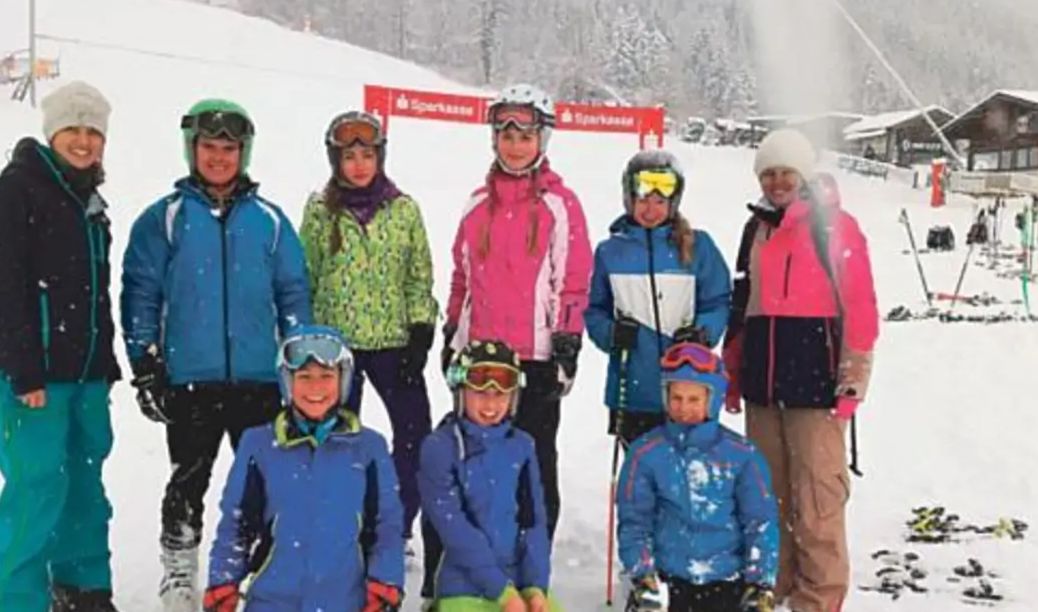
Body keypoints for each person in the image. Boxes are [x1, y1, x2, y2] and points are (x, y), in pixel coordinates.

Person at [121, 98, 311, 612]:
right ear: (192, 149)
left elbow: (293, 293)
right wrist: (146, 364)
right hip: (190, 377)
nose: (219, 157)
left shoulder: (269, 221)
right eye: (209, 147)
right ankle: (180, 566)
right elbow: (141, 293)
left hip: (258, 379)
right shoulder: (164, 219)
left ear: (244, 153)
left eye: (230, 148)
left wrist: (297, 364)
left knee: (264, 478)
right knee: (189, 475)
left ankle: (262, 561)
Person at [0, 80, 134, 612]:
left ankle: (82, 597)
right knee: (36, 488)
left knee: (85, 484)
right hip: (34, 379)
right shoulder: (19, 190)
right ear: (53, 132)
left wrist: (105, 364)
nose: (85, 140)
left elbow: (94, 296)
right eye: (75, 129)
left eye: (94, 132)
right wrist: (23, 368)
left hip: (85, 377)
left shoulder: (89, 200)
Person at [203, 326, 405, 612]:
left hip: (345, 611)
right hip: (277, 608)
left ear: (344, 381)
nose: (316, 388)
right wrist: (221, 594)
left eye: (327, 376)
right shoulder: (259, 446)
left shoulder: (369, 448)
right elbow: (236, 525)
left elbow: (386, 527)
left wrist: (383, 593)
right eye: (304, 377)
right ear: (286, 381)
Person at [721, 129, 879, 612]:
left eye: (786, 171)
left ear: (805, 173)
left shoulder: (835, 228)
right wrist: (732, 372)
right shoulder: (756, 230)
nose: (777, 181)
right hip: (764, 385)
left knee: (817, 494)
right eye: (768, 173)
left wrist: (853, 378)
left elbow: (861, 308)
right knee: (769, 492)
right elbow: (742, 310)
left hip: (816, 387)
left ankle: (821, 595)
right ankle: (778, 579)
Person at [442, 83, 591, 552]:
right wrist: (452, 333)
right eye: (506, 135)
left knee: (533, 462)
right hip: (483, 358)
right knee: (475, 461)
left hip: (535, 358)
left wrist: (567, 342)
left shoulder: (558, 205)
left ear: (541, 141)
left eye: (525, 136)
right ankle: (476, 558)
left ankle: (532, 558)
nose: (515, 145)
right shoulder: (475, 205)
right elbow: (461, 277)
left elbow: (572, 279)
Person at [417, 340, 587, 612]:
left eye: (501, 393)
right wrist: (501, 592)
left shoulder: (522, 445)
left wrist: (535, 587)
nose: (491, 404)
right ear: (461, 392)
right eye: (480, 393)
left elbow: (533, 521)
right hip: (463, 582)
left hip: (516, 582)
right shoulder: (440, 447)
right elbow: (455, 531)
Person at [298, 111, 437, 548]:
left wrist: (421, 328)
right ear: (335, 160)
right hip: (336, 350)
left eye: (367, 155)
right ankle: (344, 523)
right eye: (349, 156)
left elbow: (418, 274)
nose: (358, 164)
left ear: (380, 157)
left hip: (394, 343)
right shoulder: (321, 211)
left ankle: (397, 522)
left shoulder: (403, 209)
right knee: (338, 441)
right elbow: (306, 274)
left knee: (415, 435)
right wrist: (307, 341)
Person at [615, 343, 779, 612]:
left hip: (725, 573)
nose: (684, 408)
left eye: (694, 399)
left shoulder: (741, 455)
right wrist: (643, 572)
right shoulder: (646, 453)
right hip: (667, 573)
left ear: (712, 400)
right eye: (676, 398)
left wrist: (759, 583)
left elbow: (760, 522)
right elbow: (634, 522)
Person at [584, 149, 732, 445]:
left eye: (660, 202)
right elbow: (594, 309)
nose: (650, 210)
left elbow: (718, 301)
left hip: (687, 388)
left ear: (673, 203)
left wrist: (702, 332)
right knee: (641, 472)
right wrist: (611, 333)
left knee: (686, 474)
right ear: (629, 199)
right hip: (632, 388)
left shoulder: (697, 247)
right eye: (642, 201)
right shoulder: (611, 252)